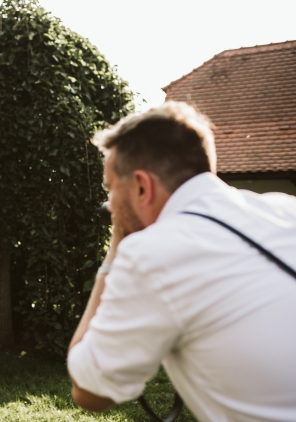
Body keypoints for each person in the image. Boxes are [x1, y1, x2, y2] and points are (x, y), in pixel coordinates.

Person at [67, 102, 296, 421]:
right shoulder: (286, 210)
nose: (109, 206)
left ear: (142, 186)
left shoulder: (150, 254)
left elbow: (89, 390)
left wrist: (117, 249)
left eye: (111, 189)